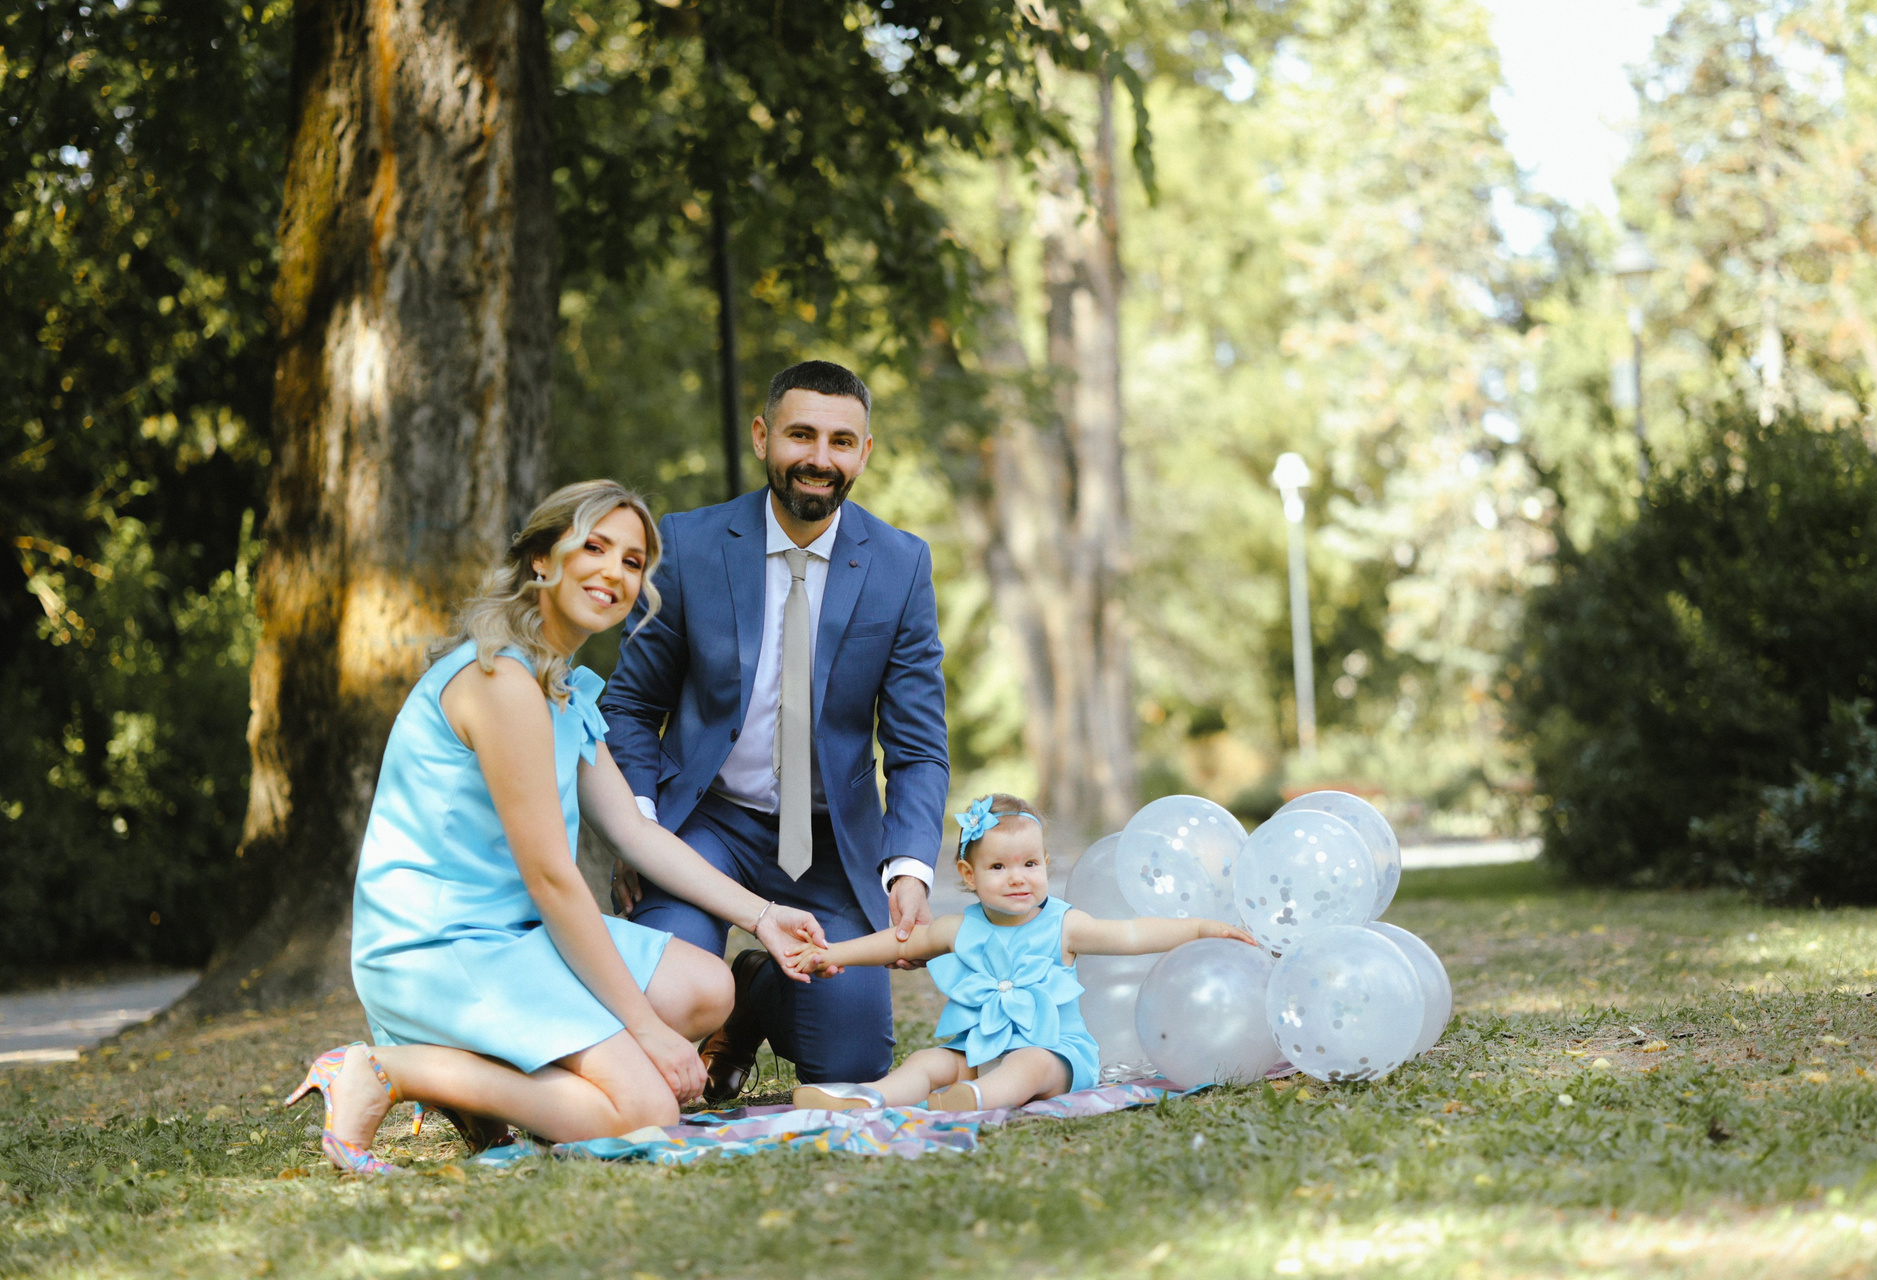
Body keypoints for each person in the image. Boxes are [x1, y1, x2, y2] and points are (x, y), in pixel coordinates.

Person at [288, 480, 830, 1175]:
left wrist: (763, 916)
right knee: (646, 1114)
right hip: (441, 946)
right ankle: (390, 1070)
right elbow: (551, 878)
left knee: (706, 988)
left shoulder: (560, 687)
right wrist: (645, 1033)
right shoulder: (501, 683)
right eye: (594, 547)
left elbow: (634, 834)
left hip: (512, 935)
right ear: (542, 560)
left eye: (632, 561)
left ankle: (485, 1081)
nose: (614, 572)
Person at [601, 360, 948, 1099]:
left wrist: (910, 868)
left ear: (864, 453)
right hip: (706, 824)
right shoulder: (688, 545)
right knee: (666, 993)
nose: (820, 458)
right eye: (801, 435)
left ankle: (754, 993)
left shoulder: (900, 564)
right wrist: (640, 825)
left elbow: (918, 747)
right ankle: (711, 994)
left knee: (851, 1062)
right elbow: (630, 705)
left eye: (841, 441)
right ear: (763, 437)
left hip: (827, 843)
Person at [788, 794, 1259, 1113]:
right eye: (998, 866)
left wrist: (1201, 927)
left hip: (1056, 1055)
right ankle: (868, 1098)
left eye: (1030, 864)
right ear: (969, 876)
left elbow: (1133, 933)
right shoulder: (959, 928)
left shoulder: (1064, 925)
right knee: (929, 1061)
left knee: (1028, 1064)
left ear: (1046, 865)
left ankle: (975, 1099)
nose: (1018, 877)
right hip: (980, 1049)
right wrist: (836, 954)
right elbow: (900, 942)